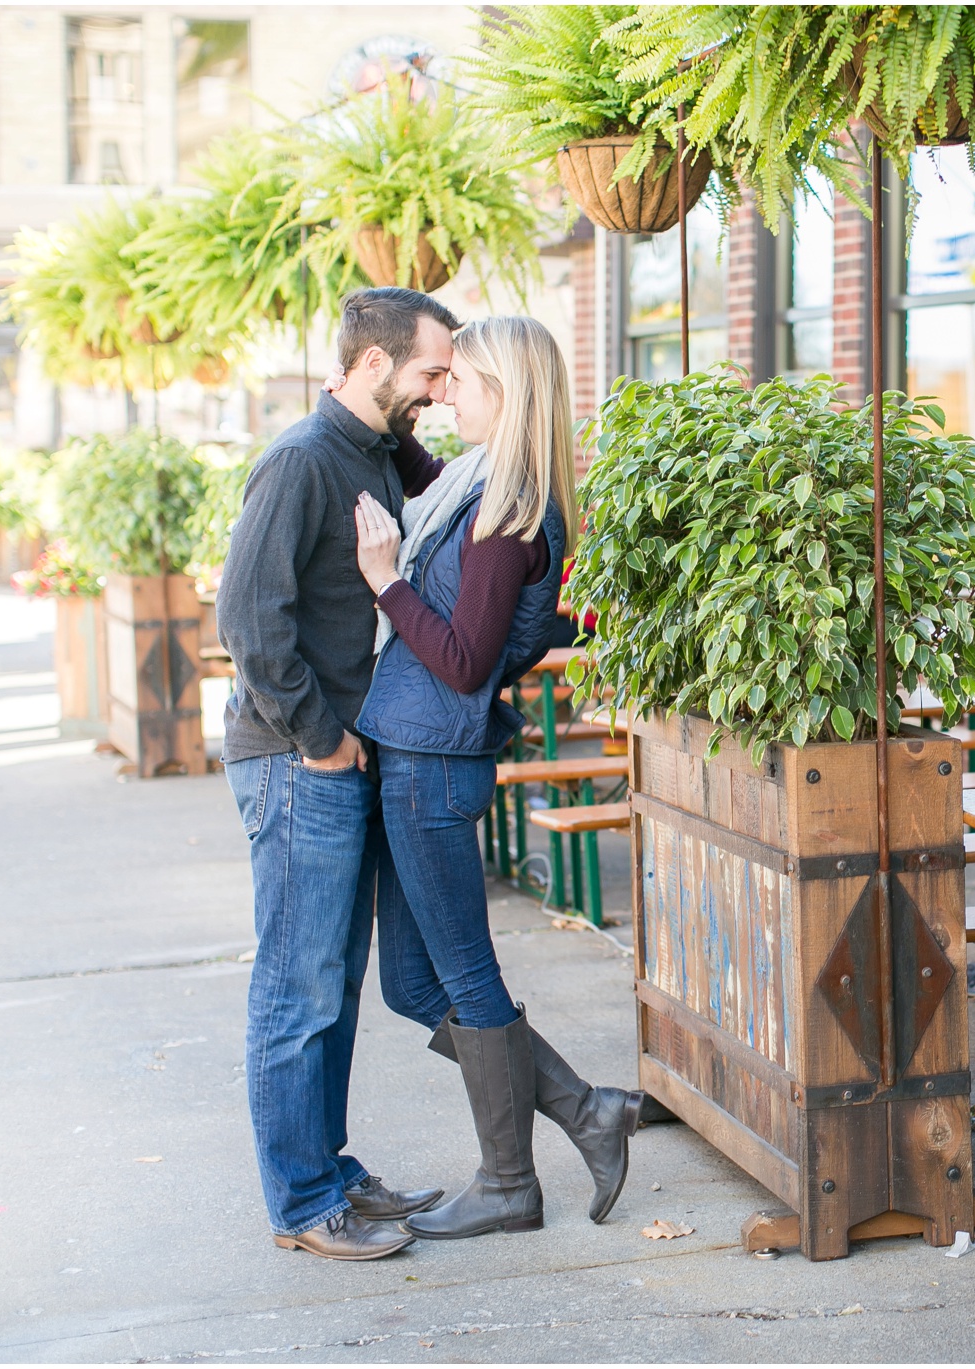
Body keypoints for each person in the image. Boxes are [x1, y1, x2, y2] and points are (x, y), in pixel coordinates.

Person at [347, 314, 645, 1239]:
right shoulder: (480, 485)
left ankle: (510, 1183)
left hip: (434, 762)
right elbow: (422, 474)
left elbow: (468, 657)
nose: (444, 396)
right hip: (415, 755)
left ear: (506, 394)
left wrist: (385, 579)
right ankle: (587, 1108)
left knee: (467, 976)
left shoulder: (505, 511)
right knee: (410, 983)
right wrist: (379, 409)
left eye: (460, 384)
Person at [215, 287, 463, 1261]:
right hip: (294, 760)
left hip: (340, 756)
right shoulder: (298, 462)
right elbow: (250, 623)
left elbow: (440, 483)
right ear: (370, 368)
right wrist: (321, 739)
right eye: (427, 374)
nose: (439, 392)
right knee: (298, 987)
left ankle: (328, 1165)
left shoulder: (370, 451)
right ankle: (301, 1200)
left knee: (336, 983)